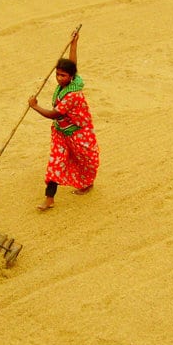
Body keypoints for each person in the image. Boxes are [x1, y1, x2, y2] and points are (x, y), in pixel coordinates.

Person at [28, 28, 100, 211]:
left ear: (71, 77)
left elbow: (54, 114)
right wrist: (74, 43)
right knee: (55, 162)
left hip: (78, 134)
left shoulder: (72, 94)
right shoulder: (70, 81)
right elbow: (72, 63)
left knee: (86, 161)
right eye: (58, 74)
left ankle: (87, 183)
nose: (60, 78)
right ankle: (49, 198)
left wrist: (35, 106)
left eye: (63, 75)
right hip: (61, 133)